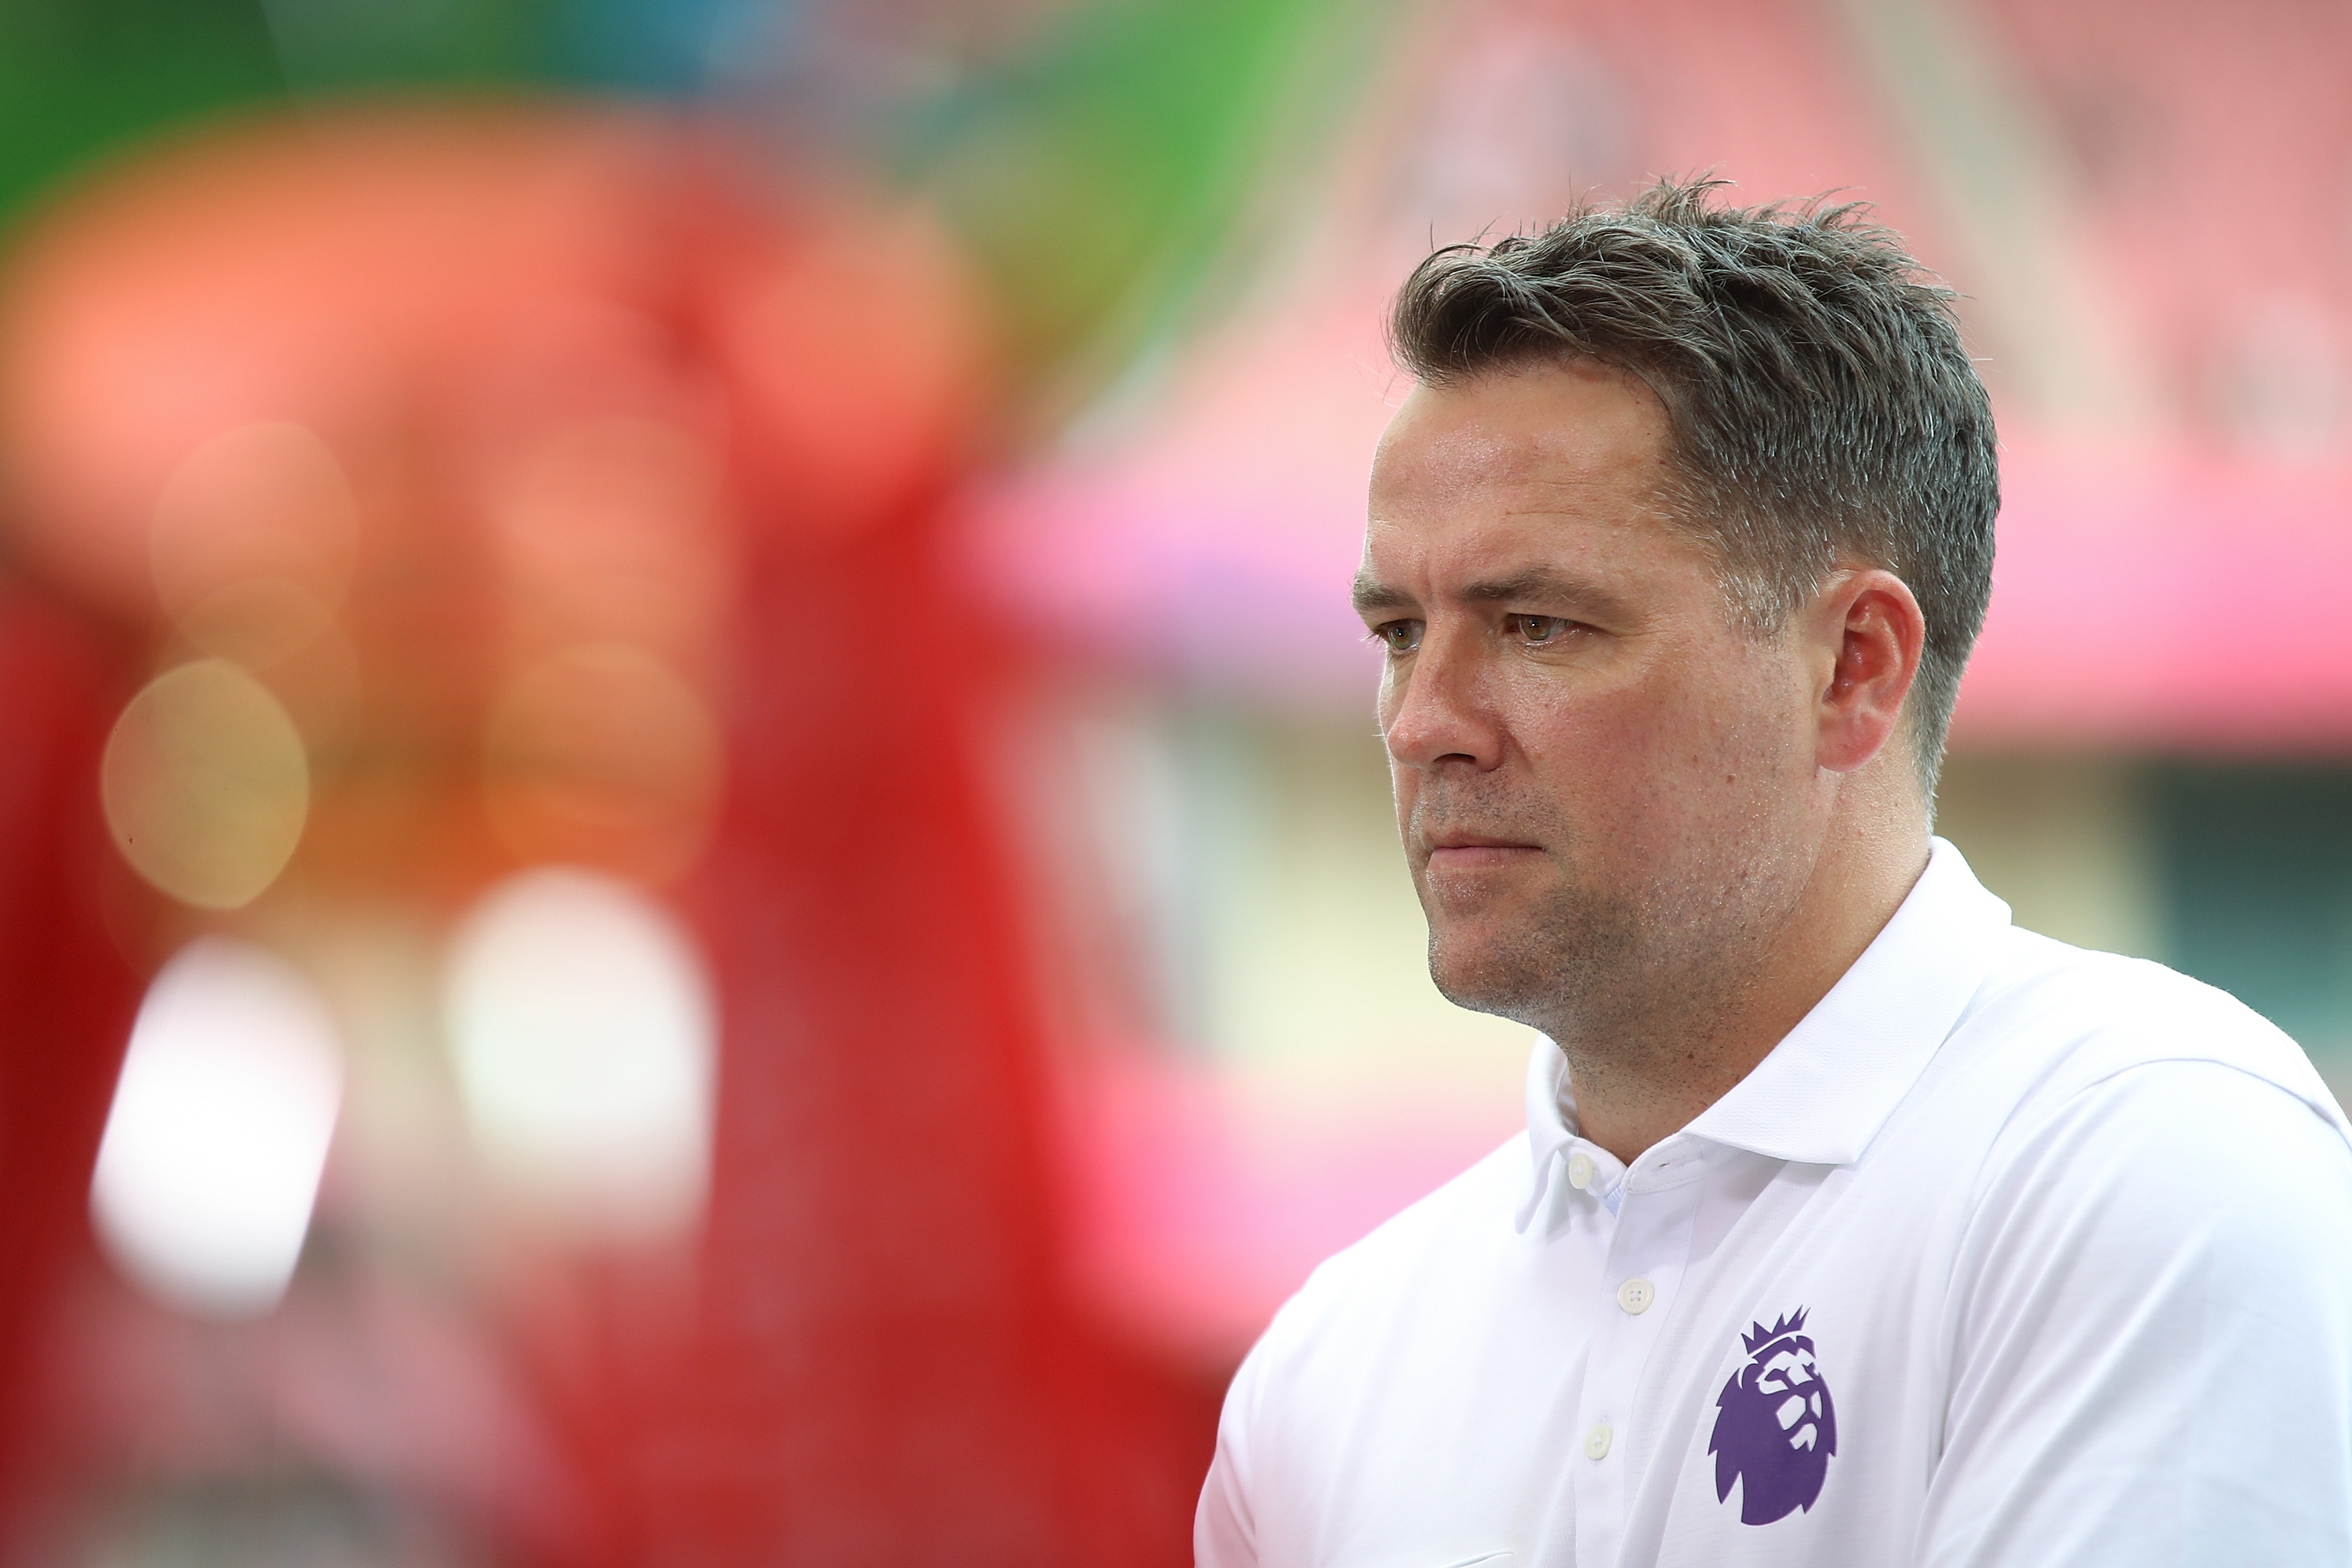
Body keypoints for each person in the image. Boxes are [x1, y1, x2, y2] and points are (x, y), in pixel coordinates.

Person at [1193, 179, 2352, 1566]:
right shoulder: (1327, 1371)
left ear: (1854, 667)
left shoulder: (2143, 1162)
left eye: (1541, 625)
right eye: (1397, 630)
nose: (1422, 720)